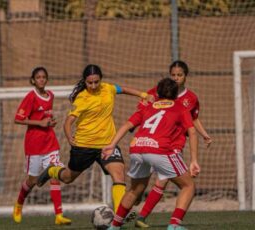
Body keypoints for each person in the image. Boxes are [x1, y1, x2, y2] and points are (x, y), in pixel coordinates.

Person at [36, 64, 154, 214]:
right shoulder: (82, 98)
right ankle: (52, 171)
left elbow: (123, 89)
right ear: (84, 82)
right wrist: (69, 137)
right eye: (89, 82)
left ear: (101, 80)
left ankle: (119, 216)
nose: (93, 85)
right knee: (67, 177)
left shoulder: (108, 88)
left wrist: (144, 95)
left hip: (107, 144)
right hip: (84, 145)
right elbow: (68, 121)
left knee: (119, 174)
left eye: (96, 82)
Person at [104, 78, 200, 230]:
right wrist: (194, 160)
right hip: (160, 150)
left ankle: (114, 226)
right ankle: (174, 225)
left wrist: (111, 145)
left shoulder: (147, 107)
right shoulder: (180, 106)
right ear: (176, 94)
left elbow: (128, 124)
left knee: (135, 190)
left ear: (157, 92)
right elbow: (192, 131)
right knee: (188, 185)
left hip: (137, 148)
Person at [134, 60, 212, 228]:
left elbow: (194, 119)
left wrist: (204, 134)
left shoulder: (191, 98)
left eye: (180, 75)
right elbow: (143, 109)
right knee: (169, 181)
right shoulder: (158, 93)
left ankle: (142, 216)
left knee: (162, 180)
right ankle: (168, 222)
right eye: (173, 75)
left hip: (177, 143)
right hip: (162, 145)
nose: (176, 78)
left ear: (186, 76)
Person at [12, 67, 71, 225]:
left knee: (55, 174)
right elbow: (18, 118)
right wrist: (40, 123)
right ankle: (19, 204)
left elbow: (45, 117)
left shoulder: (50, 95)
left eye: (44, 77)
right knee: (32, 181)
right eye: (38, 77)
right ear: (33, 80)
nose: (41, 80)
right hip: (34, 145)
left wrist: (50, 122)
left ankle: (59, 215)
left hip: (50, 142)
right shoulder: (30, 97)